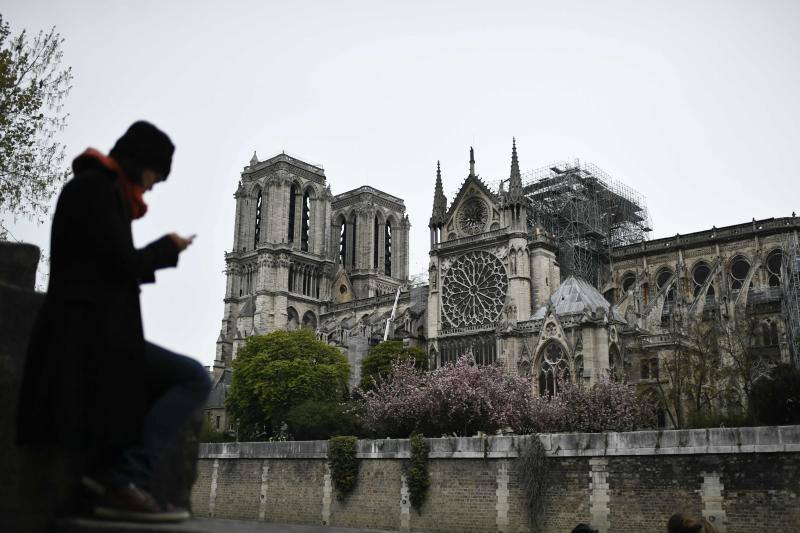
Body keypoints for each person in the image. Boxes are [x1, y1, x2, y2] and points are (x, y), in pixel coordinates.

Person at [16, 121, 211, 522]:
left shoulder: (98, 191)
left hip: (90, 332)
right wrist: (166, 248)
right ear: (141, 163)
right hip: (87, 336)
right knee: (193, 377)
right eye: (156, 173)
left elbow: (112, 265)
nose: (154, 185)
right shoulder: (95, 192)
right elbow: (122, 265)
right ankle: (123, 480)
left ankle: (109, 479)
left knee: (185, 376)